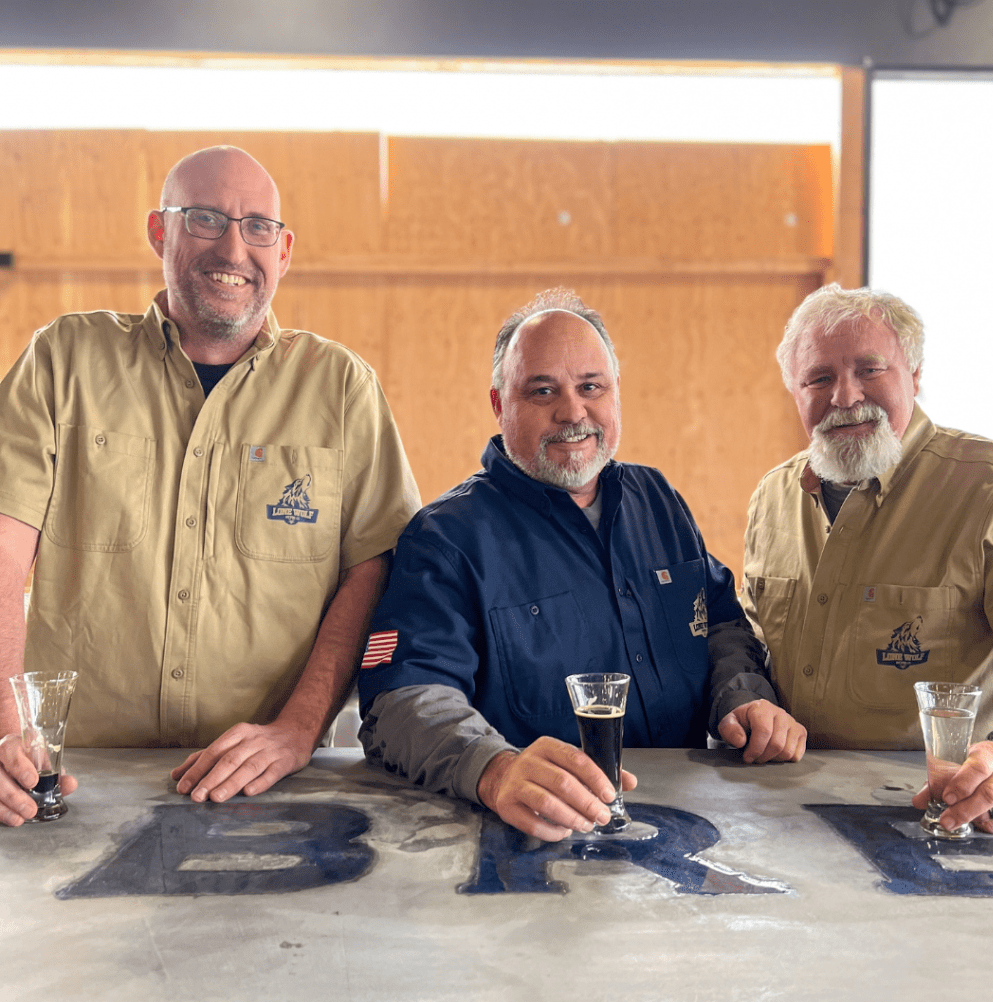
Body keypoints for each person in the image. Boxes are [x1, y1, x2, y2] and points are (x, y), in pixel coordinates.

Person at [0, 146, 419, 826]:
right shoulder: (63, 362)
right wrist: (5, 732)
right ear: (159, 231)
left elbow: (373, 572)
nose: (233, 247)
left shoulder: (341, 389)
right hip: (72, 781)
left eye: (257, 227)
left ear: (283, 251)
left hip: (270, 786)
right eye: (205, 218)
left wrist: (298, 730)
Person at [358, 288, 805, 842]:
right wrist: (494, 769)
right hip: (528, 838)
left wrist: (744, 694)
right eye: (542, 391)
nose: (572, 412)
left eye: (591, 387)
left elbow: (718, 623)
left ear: (616, 392)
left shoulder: (659, 502)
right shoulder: (445, 539)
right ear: (499, 404)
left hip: (684, 830)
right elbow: (402, 702)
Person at [742, 282, 993, 834]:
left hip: (944, 815)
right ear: (794, 391)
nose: (845, 397)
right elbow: (752, 644)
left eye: (869, 370)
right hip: (785, 818)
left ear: (915, 376)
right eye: (819, 378)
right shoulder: (772, 496)